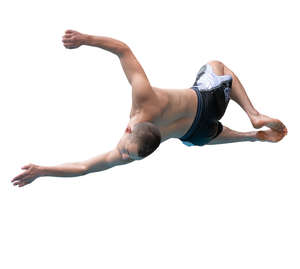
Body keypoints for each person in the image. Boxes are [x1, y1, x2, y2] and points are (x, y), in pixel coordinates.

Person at [11, 30, 288, 187]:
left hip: (196, 131)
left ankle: (251, 131)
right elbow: (122, 49)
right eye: (129, 155)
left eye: (124, 151)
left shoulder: (143, 103)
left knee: (212, 85)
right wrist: (85, 40)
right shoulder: (139, 121)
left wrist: (42, 170)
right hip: (208, 104)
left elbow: (123, 50)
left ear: (128, 129)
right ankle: (252, 118)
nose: (121, 155)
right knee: (217, 69)